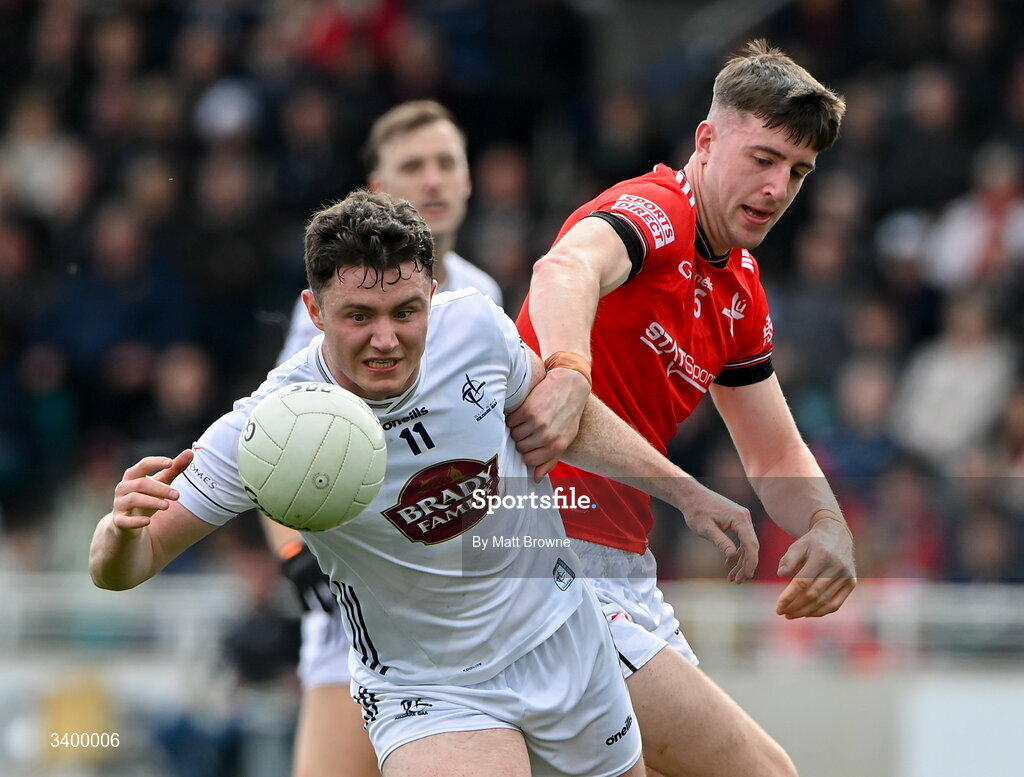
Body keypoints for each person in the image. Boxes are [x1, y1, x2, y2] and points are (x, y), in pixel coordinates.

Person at [90, 191, 759, 777]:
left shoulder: (474, 330)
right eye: (358, 316)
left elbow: (566, 420)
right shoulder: (273, 429)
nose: (385, 339)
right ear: (314, 310)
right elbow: (126, 564)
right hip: (429, 686)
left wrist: (687, 492)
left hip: (563, 637)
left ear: (432, 294)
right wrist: (120, 532)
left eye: (405, 311)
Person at [512, 40, 858, 777]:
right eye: (763, 158)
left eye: (798, 171)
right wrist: (570, 367)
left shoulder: (741, 286)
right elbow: (565, 266)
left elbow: (773, 454)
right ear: (707, 139)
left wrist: (829, 525)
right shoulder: (655, 211)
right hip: (540, 553)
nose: (778, 187)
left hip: (624, 569)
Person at [267, 100, 503, 777]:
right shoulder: (335, 305)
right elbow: (278, 440)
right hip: (357, 599)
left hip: (461, 606)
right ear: (376, 189)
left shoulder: (483, 295)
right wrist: (293, 547)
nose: (432, 181)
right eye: (412, 166)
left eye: (445, 163)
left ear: (467, 181)